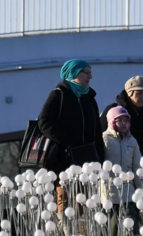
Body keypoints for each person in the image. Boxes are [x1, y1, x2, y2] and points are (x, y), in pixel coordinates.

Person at [37, 59, 105, 226]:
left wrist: (100, 156)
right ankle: (67, 234)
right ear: (73, 73)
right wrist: (65, 142)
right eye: (85, 72)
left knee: (83, 198)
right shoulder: (58, 94)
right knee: (65, 197)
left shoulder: (89, 97)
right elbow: (43, 121)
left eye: (91, 73)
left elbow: (96, 129)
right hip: (64, 157)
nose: (89, 76)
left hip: (86, 157)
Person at [100, 106, 143, 236]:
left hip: (128, 192)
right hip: (109, 192)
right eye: (120, 120)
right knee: (110, 226)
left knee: (132, 224)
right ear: (112, 122)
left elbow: (137, 166)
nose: (124, 123)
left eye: (126, 120)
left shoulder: (132, 141)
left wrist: (141, 189)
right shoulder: (103, 139)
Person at [101, 75, 143, 158]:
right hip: (117, 164)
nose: (142, 97)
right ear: (129, 93)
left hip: (142, 163)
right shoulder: (112, 110)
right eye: (138, 93)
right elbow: (99, 136)